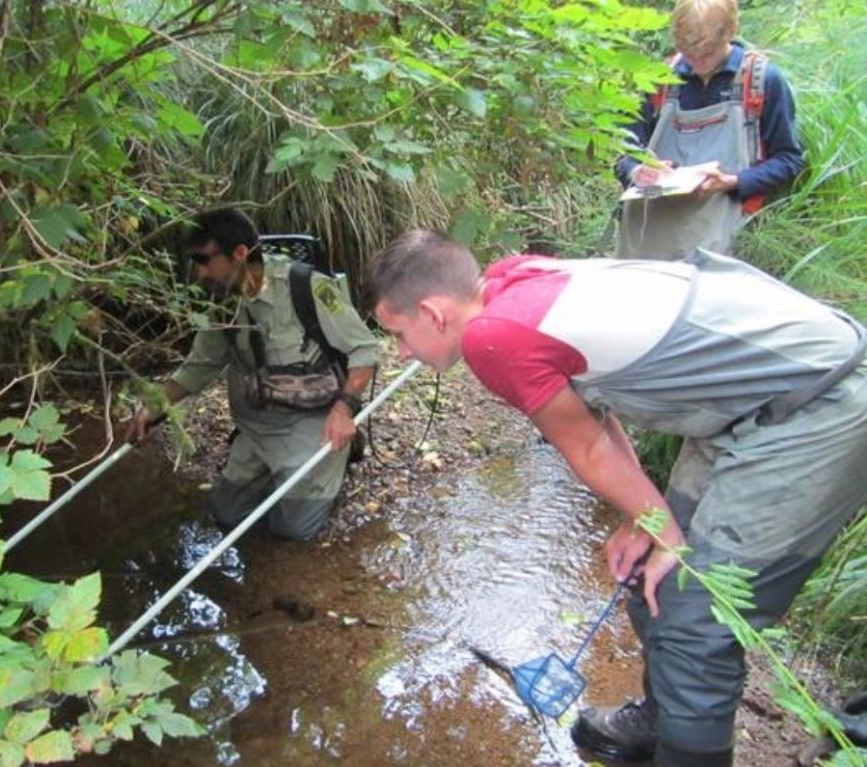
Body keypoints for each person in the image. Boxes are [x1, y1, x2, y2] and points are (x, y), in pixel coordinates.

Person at [367, 230, 867, 767]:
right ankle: (665, 720)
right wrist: (647, 520)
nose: (401, 352)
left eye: (398, 333)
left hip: (820, 404)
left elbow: (585, 446)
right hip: (757, 399)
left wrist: (663, 527)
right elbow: (596, 422)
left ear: (433, 313)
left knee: (697, 621)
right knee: (651, 577)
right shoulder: (510, 281)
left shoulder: (492, 338)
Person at [127, 207, 380, 541]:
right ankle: (276, 475)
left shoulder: (308, 288)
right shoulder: (222, 303)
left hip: (312, 425)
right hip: (257, 429)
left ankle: (340, 457)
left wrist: (344, 409)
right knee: (226, 515)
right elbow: (200, 365)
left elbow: (365, 350)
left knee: (292, 530)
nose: (198, 273)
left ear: (240, 253)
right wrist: (155, 406)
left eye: (204, 260)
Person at [616, 0, 805, 259]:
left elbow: (789, 160)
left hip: (721, 236)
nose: (698, 63)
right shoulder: (657, 78)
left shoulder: (762, 81)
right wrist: (636, 169)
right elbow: (622, 148)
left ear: (729, 32)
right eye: (689, 53)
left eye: (707, 54)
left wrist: (736, 182)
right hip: (648, 234)